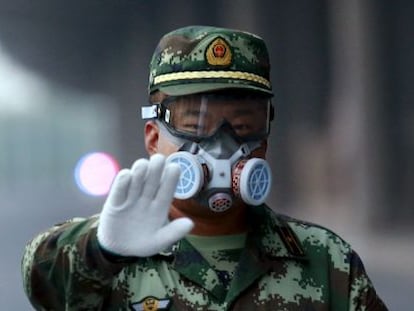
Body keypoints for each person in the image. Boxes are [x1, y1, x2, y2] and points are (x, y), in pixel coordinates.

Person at [22, 25, 388, 310]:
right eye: (196, 123)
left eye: (243, 125)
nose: (220, 143)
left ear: (264, 138)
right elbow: (41, 281)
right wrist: (102, 250)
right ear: (153, 138)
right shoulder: (113, 257)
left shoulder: (325, 260)